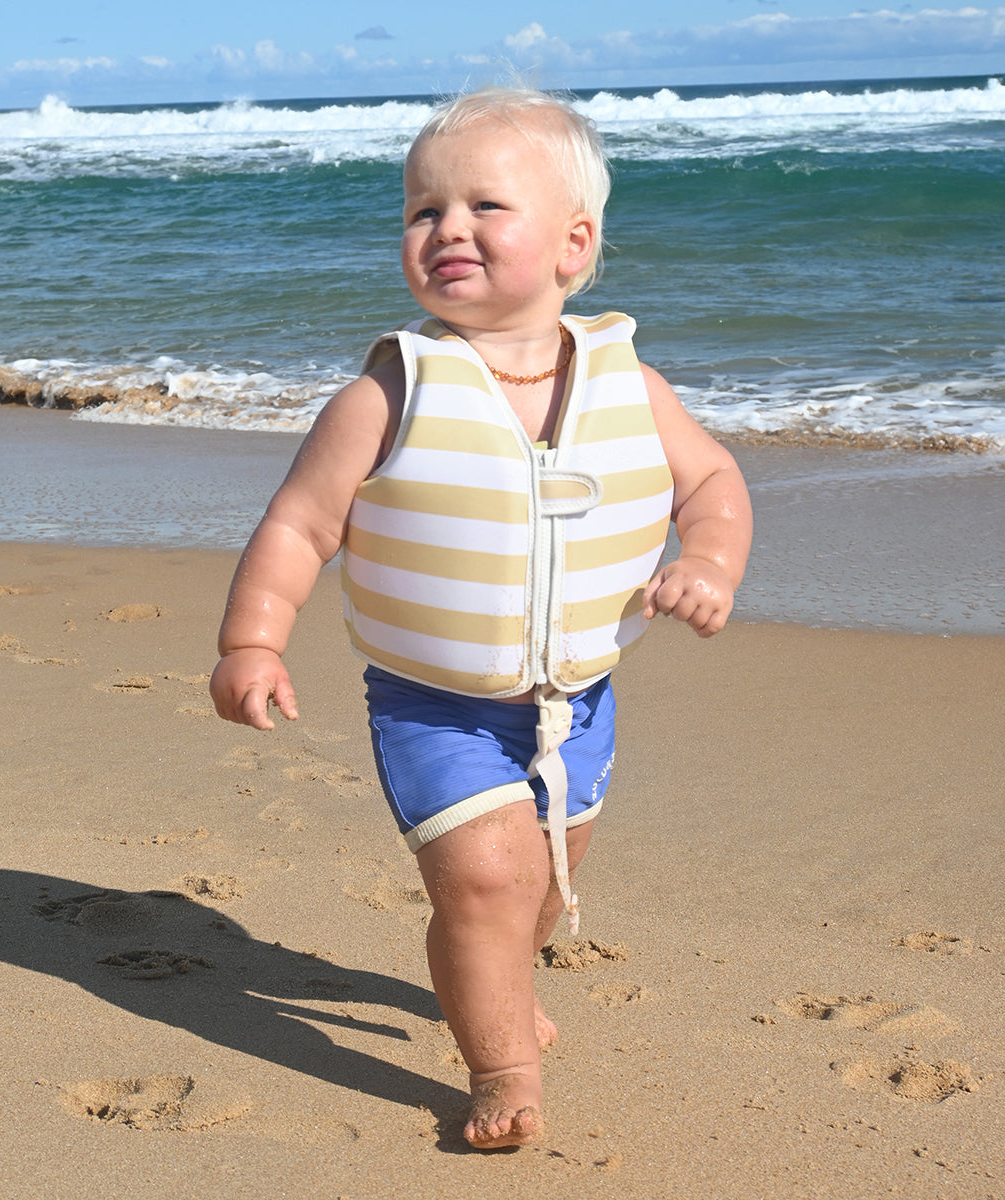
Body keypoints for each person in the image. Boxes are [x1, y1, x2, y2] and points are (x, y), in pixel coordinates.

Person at [210, 86, 753, 1150]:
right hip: (434, 705)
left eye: (483, 207)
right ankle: (502, 1061)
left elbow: (713, 485)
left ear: (572, 243)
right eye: (422, 211)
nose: (445, 228)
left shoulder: (629, 384)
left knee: (547, 875)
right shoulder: (391, 388)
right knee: (486, 878)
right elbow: (299, 524)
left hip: (578, 697)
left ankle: (495, 972)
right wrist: (253, 638)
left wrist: (711, 563)